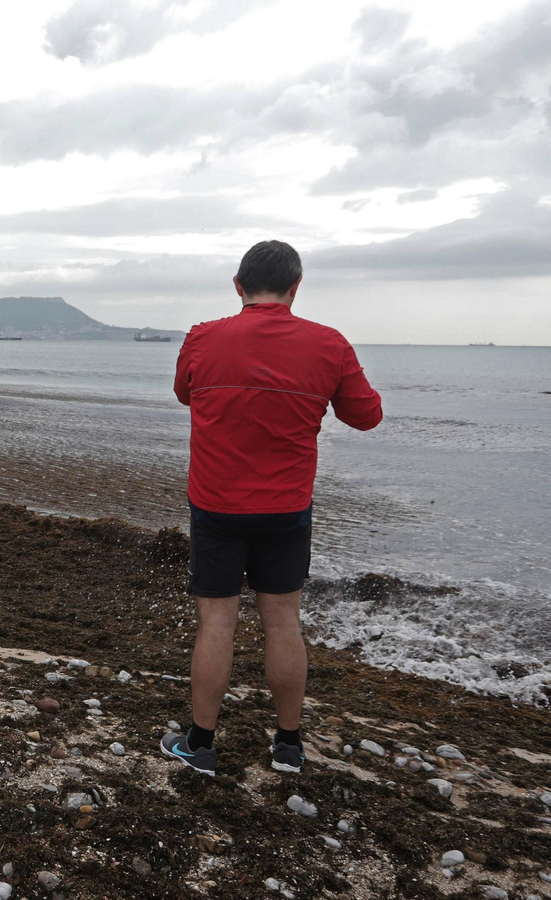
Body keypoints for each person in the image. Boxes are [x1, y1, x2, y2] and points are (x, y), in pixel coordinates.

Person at [160, 240, 383, 776]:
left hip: (216, 506)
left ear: (238, 286)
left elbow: (184, 394)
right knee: (283, 622)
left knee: (218, 622)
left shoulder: (203, 337)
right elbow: (367, 416)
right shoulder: (328, 344)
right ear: (295, 287)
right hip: (286, 509)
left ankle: (201, 744)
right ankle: (287, 745)